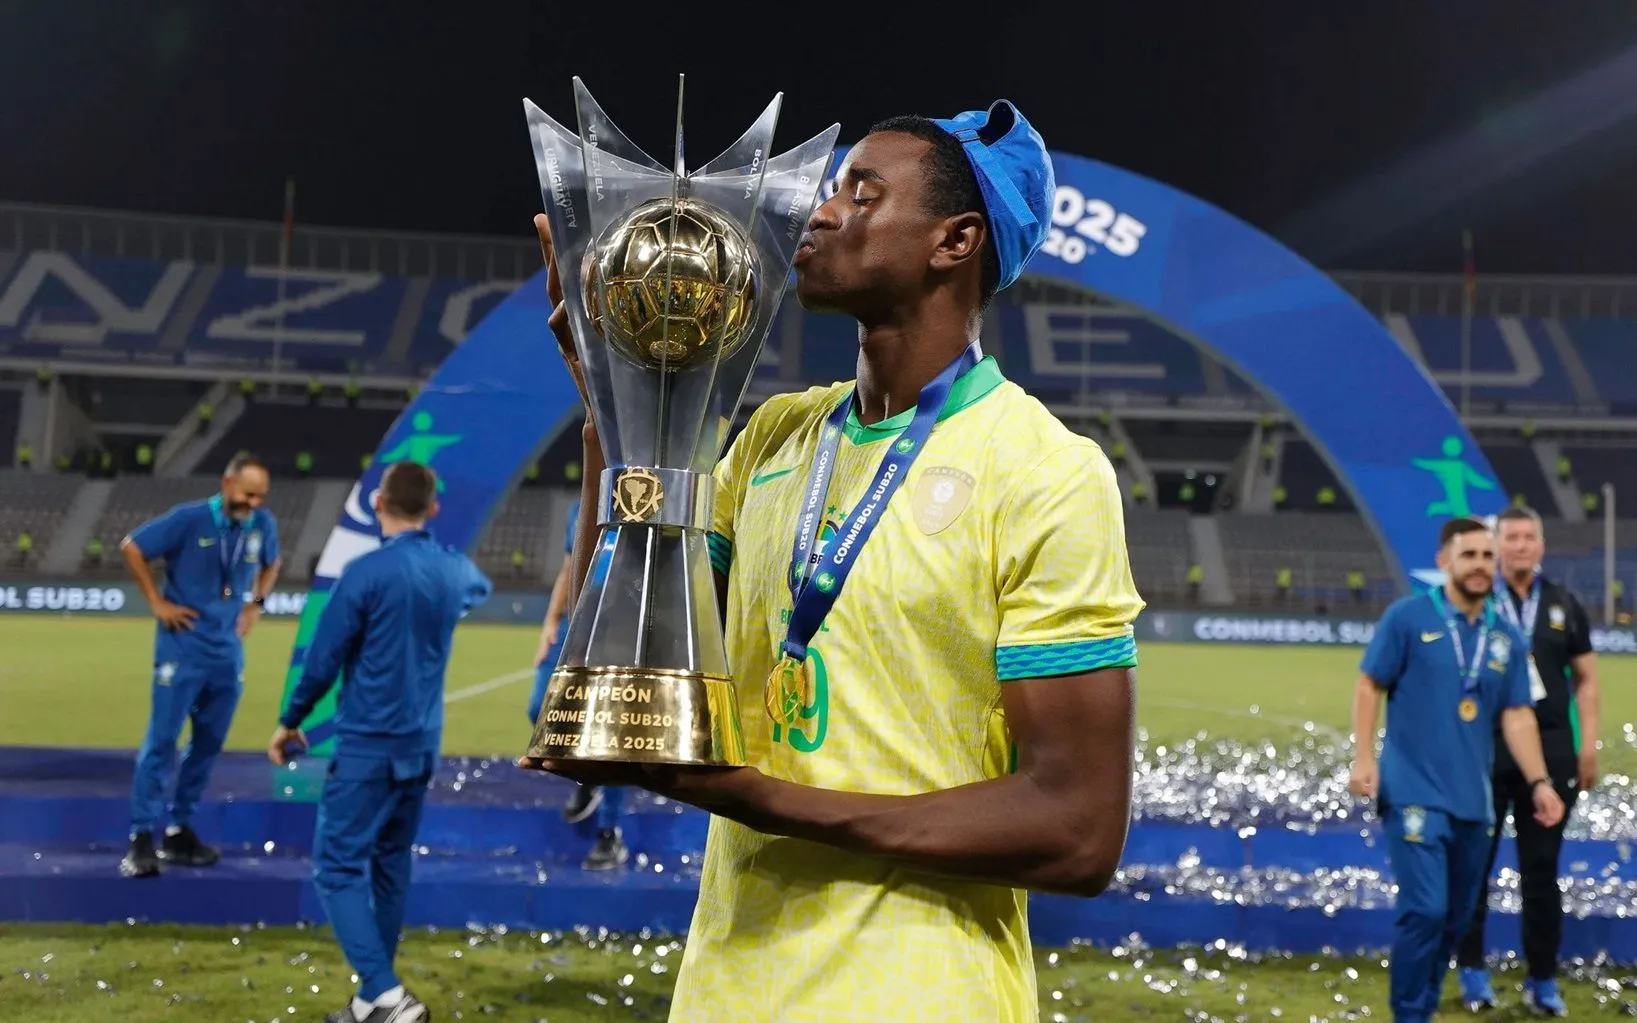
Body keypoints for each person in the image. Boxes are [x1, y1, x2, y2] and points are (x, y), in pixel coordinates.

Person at [525, 99, 1144, 1022]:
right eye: (829, 188)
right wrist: (619, 413)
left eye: (861, 193)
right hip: (728, 990)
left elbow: (1078, 830)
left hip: (923, 994)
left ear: (954, 239)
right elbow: (618, 681)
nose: (818, 212)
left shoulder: (1045, 473)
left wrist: (765, 799)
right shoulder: (774, 437)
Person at [270, 461, 492, 1023]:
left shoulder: (364, 572)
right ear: (433, 510)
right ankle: (372, 1001)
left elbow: (323, 662)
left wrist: (291, 719)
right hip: (420, 747)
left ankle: (386, 995)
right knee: (391, 863)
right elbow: (477, 588)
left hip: (369, 744)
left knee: (337, 868)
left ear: (377, 504)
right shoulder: (451, 569)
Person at [1348, 516, 1566, 1023]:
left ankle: (1420, 1007)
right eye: (1469, 555)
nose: (1481, 566)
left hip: (1474, 801)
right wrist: (1363, 758)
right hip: (1412, 792)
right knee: (1425, 910)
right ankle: (1410, 1014)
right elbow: (1367, 684)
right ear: (1444, 560)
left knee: (1455, 919)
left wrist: (1539, 782)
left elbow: (1516, 716)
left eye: (1488, 557)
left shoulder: (1505, 636)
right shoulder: (1407, 618)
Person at [1456, 506, 1601, 1015]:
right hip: (1487, 748)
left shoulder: (1563, 603)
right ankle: (1473, 972)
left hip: (1554, 750)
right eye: (1510, 538)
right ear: (1497, 546)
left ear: (1541, 545)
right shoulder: (1476, 602)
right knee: (1476, 867)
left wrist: (1589, 745)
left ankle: (1543, 980)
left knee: (1541, 870)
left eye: (1527, 537)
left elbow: (1585, 679)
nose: (1519, 546)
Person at [118, 452, 281, 878]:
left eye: (261, 496)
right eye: (248, 495)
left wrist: (256, 605)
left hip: (226, 654)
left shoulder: (262, 525)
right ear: (227, 484)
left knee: (207, 745)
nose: (255, 504)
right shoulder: (188, 520)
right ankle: (140, 838)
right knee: (162, 742)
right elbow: (133, 547)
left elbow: (273, 562)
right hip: (182, 650)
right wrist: (157, 602)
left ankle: (178, 830)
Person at [530, 496, 628, 869]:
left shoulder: (646, 492)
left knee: (614, 732)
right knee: (540, 708)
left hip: (619, 624)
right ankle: (586, 776)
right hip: (576, 626)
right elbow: (570, 566)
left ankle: (609, 834)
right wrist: (551, 623)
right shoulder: (580, 505)